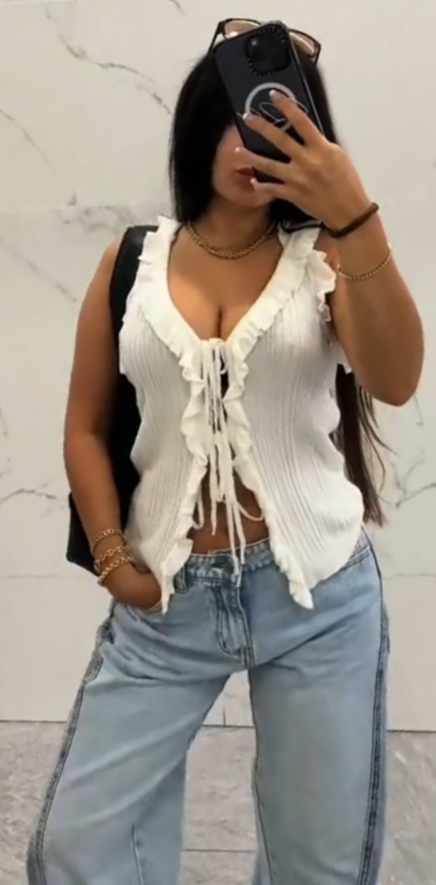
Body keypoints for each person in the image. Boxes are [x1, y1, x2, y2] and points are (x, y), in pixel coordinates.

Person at [27, 19, 424, 885]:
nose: (252, 145)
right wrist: (113, 558)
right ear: (200, 124)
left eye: (281, 125)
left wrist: (354, 213)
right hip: (168, 599)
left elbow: (396, 380)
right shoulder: (132, 260)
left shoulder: (326, 255)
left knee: (317, 865)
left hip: (318, 596)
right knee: (78, 845)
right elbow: (86, 425)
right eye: (237, 120)